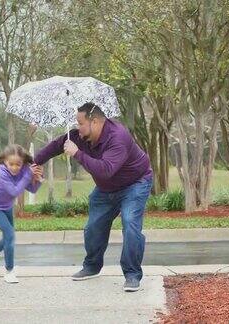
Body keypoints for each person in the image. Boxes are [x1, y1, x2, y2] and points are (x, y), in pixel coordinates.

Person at [34, 102, 153, 292]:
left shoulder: (117, 137)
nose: (77, 128)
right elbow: (56, 145)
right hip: (106, 189)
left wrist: (77, 153)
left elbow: (106, 170)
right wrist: (35, 162)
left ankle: (132, 274)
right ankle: (92, 266)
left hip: (134, 184)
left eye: (80, 123)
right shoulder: (79, 136)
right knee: (93, 227)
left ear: (95, 122)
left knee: (130, 223)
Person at [0, 144, 43, 283]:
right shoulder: (0, 172)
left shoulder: (24, 170)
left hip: (7, 206)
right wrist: (27, 175)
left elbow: (32, 189)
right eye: (11, 164)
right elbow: (14, 191)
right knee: (10, 235)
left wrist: (38, 178)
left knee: (9, 237)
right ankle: (9, 271)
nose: (15, 167)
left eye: (18, 164)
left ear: (23, 162)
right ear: (4, 161)